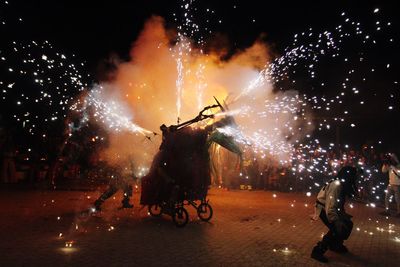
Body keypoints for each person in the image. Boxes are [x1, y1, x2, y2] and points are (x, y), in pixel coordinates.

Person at [311, 166, 361, 263]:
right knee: (337, 229)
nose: (355, 178)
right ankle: (317, 251)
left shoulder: (340, 183)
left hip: (330, 209)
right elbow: (330, 207)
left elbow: (338, 203)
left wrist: (342, 215)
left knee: (348, 224)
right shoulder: (336, 185)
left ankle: (335, 245)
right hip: (323, 209)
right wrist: (336, 221)